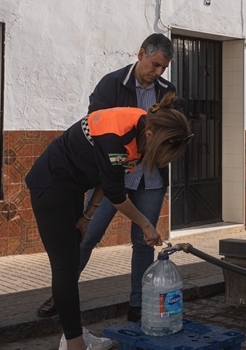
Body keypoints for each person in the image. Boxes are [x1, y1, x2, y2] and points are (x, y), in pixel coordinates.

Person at [25, 94, 191, 350]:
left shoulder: (141, 126)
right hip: (52, 188)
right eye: (164, 151)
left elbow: (107, 177)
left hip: (70, 188)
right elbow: (116, 194)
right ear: (152, 135)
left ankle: (72, 337)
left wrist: (87, 215)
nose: (161, 160)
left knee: (70, 262)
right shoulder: (117, 136)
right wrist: (146, 225)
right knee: (65, 269)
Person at [36, 34, 178, 322]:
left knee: (143, 243)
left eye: (163, 67)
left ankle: (138, 306)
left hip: (150, 179)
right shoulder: (112, 83)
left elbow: (170, 133)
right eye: (154, 64)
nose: (157, 72)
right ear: (141, 54)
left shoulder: (168, 91)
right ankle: (62, 293)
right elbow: (97, 128)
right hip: (110, 175)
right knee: (87, 235)